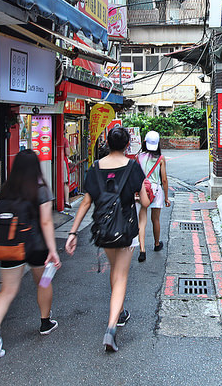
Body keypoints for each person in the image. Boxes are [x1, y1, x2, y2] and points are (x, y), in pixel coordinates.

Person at [65, 126, 150, 352]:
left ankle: (120, 311)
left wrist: (72, 233)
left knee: (115, 271)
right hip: (125, 229)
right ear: (126, 145)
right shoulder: (133, 167)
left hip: (103, 230)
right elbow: (145, 202)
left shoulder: (95, 168)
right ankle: (111, 328)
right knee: (121, 276)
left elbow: (85, 203)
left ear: (108, 144)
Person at [0, 149, 61, 359]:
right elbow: (45, 221)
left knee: (7, 290)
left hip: (11, 244)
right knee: (43, 282)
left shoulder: (7, 189)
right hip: (35, 245)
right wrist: (53, 250)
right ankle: (45, 322)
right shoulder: (40, 188)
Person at [136, 131, 171, 262]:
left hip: (143, 189)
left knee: (142, 220)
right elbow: (164, 179)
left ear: (144, 142)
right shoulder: (161, 158)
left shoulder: (138, 157)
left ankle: (142, 250)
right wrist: (166, 197)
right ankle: (157, 244)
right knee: (155, 219)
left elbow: (136, 176)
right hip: (156, 191)